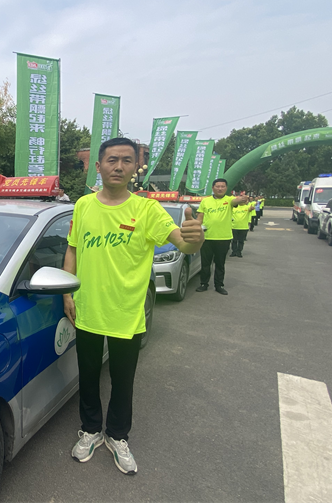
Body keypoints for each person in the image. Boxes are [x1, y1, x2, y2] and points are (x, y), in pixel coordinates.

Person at [63, 137, 204, 474]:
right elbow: (72, 249)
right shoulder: (83, 206)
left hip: (127, 313)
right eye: (112, 160)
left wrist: (194, 239)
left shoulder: (147, 210)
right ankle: (91, 430)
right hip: (87, 310)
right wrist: (67, 294)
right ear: (99, 166)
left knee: (123, 380)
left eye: (127, 160)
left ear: (135, 168)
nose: (119, 166)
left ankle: (117, 436)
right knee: (88, 377)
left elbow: (182, 243)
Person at [195, 179, 248, 295]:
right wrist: (197, 228)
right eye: (217, 186)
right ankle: (204, 284)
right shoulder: (205, 201)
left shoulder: (229, 200)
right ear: (213, 188)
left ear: (226, 188)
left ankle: (219, 285)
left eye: (222, 186)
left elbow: (237, 201)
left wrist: (242, 198)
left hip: (224, 238)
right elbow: (200, 217)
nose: (220, 188)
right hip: (207, 237)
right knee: (205, 263)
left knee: (220, 263)